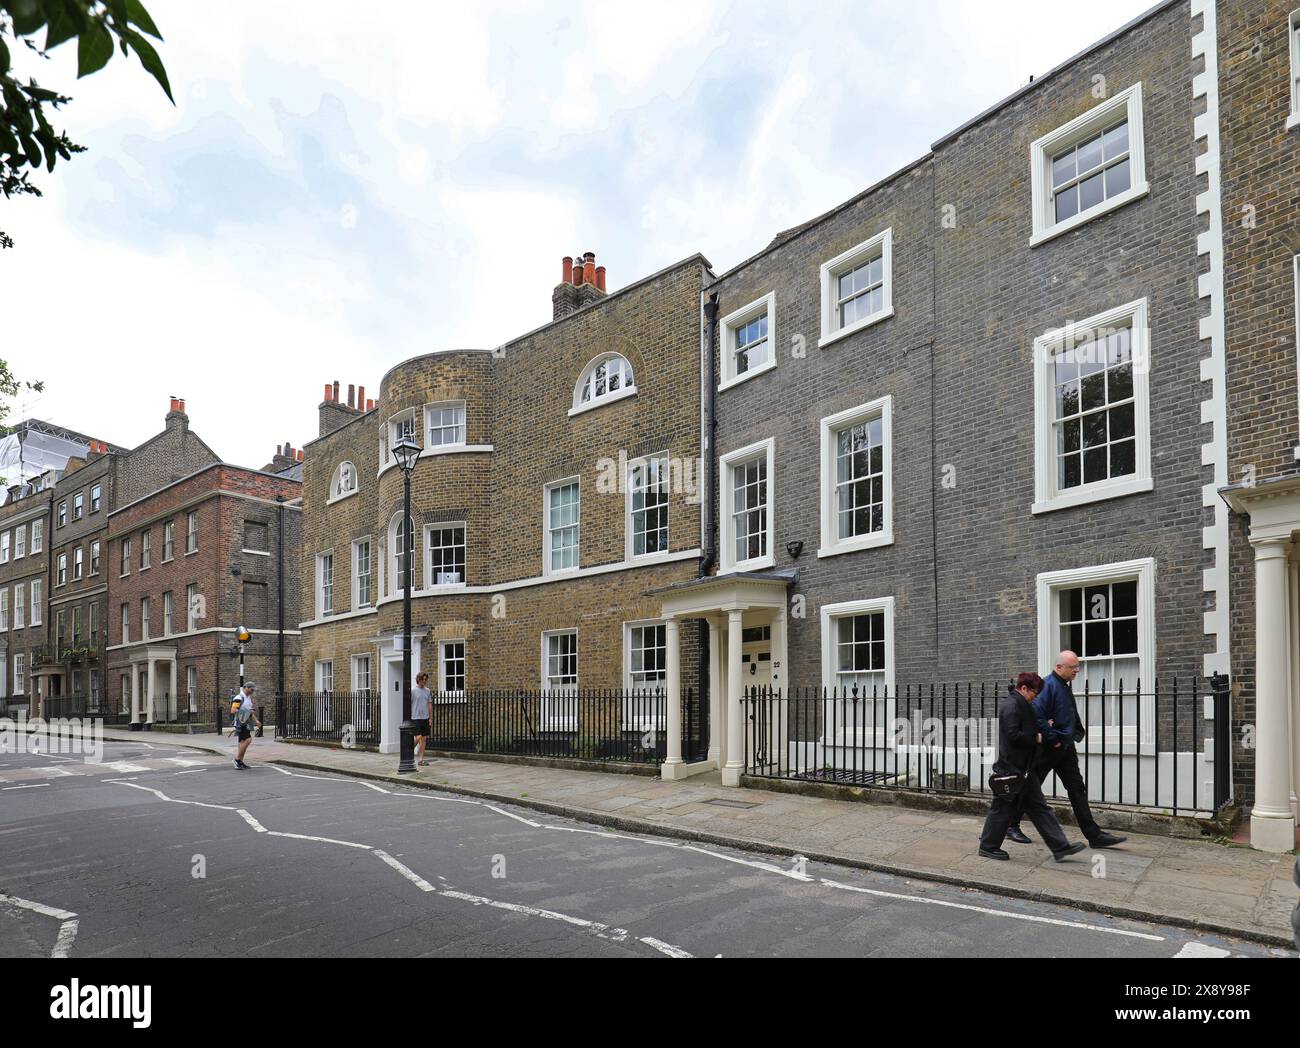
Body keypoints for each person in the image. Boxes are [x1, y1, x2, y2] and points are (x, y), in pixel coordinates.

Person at [1004, 651, 1126, 849]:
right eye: (1072, 667)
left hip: (1066, 748)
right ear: (1059, 667)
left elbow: (1064, 713)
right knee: (1030, 789)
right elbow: (1037, 715)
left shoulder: (1062, 685)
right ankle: (1011, 825)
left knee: (1077, 789)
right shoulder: (1048, 685)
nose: (1076, 670)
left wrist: (1075, 732)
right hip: (1050, 749)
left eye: (1077, 666)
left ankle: (1093, 834)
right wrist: (1053, 739)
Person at [979, 672, 1086, 862]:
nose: (1036, 697)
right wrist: (1037, 737)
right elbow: (1013, 735)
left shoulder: (1021, 703)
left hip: (1024, 769)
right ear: (1024, 688)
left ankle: (1060, 847)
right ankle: (988, 847)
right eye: (1034, 693)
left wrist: (1043, 726)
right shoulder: (1011, 705)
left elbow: (1028, 724)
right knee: (1002, 808)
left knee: (1039, 808)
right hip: (1012, 768)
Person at [232, 682, 261, 769]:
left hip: (247, 722)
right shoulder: (239, 697)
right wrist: (247, 712)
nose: (252, 691)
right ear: (246, 688)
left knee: (242, 742)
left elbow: (250, 711)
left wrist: (256, 721)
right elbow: (233, 710)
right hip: (240, 723)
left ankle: (240, 762)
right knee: (248, 740)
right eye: (252, 689)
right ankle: (237, 760)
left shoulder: (248, 698)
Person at [411, 672, 433, 766]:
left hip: (425, 718)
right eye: (422, 679)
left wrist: (430, 718)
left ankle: (421, 760)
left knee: (423, 739)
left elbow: (429, 704)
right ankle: (409, 748)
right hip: (415, 717)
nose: (424, 681)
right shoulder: (413, 690)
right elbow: (409, 704)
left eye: (425, 679)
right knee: (418, 737)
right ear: (418, 680)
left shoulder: (428, 691)